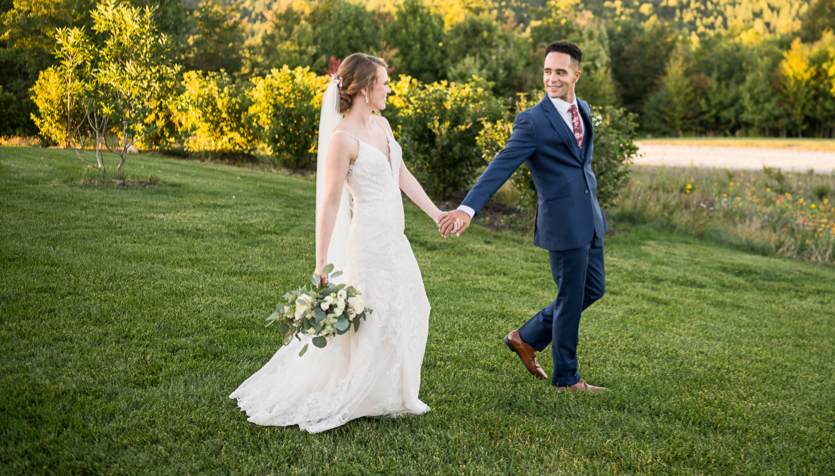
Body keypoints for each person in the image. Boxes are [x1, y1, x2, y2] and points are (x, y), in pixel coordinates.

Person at [230, 53, 446, 432]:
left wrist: (436, 213)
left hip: (395, 236)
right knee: (376, 316)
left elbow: (401, 174)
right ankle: (364, 393)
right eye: (384, 82)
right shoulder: (341, 139)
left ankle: (396, 392)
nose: (389, 88)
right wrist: (320, 263)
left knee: (409, 306)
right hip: (368, 240)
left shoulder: (383, 125)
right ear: (365, 89)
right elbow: (329, 202)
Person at [438, 41, 607, 393]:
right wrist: (468, 208)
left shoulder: (585, 110)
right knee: (570, 296)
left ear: (576, 74)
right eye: (547, 71)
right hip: (562, 224)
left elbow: (580, 166)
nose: (552, 78)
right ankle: (567, 378)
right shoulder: (532, 121)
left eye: (560, 72)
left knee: (592, 289)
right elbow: (499, 167)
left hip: (590, 218)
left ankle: (525, 337)